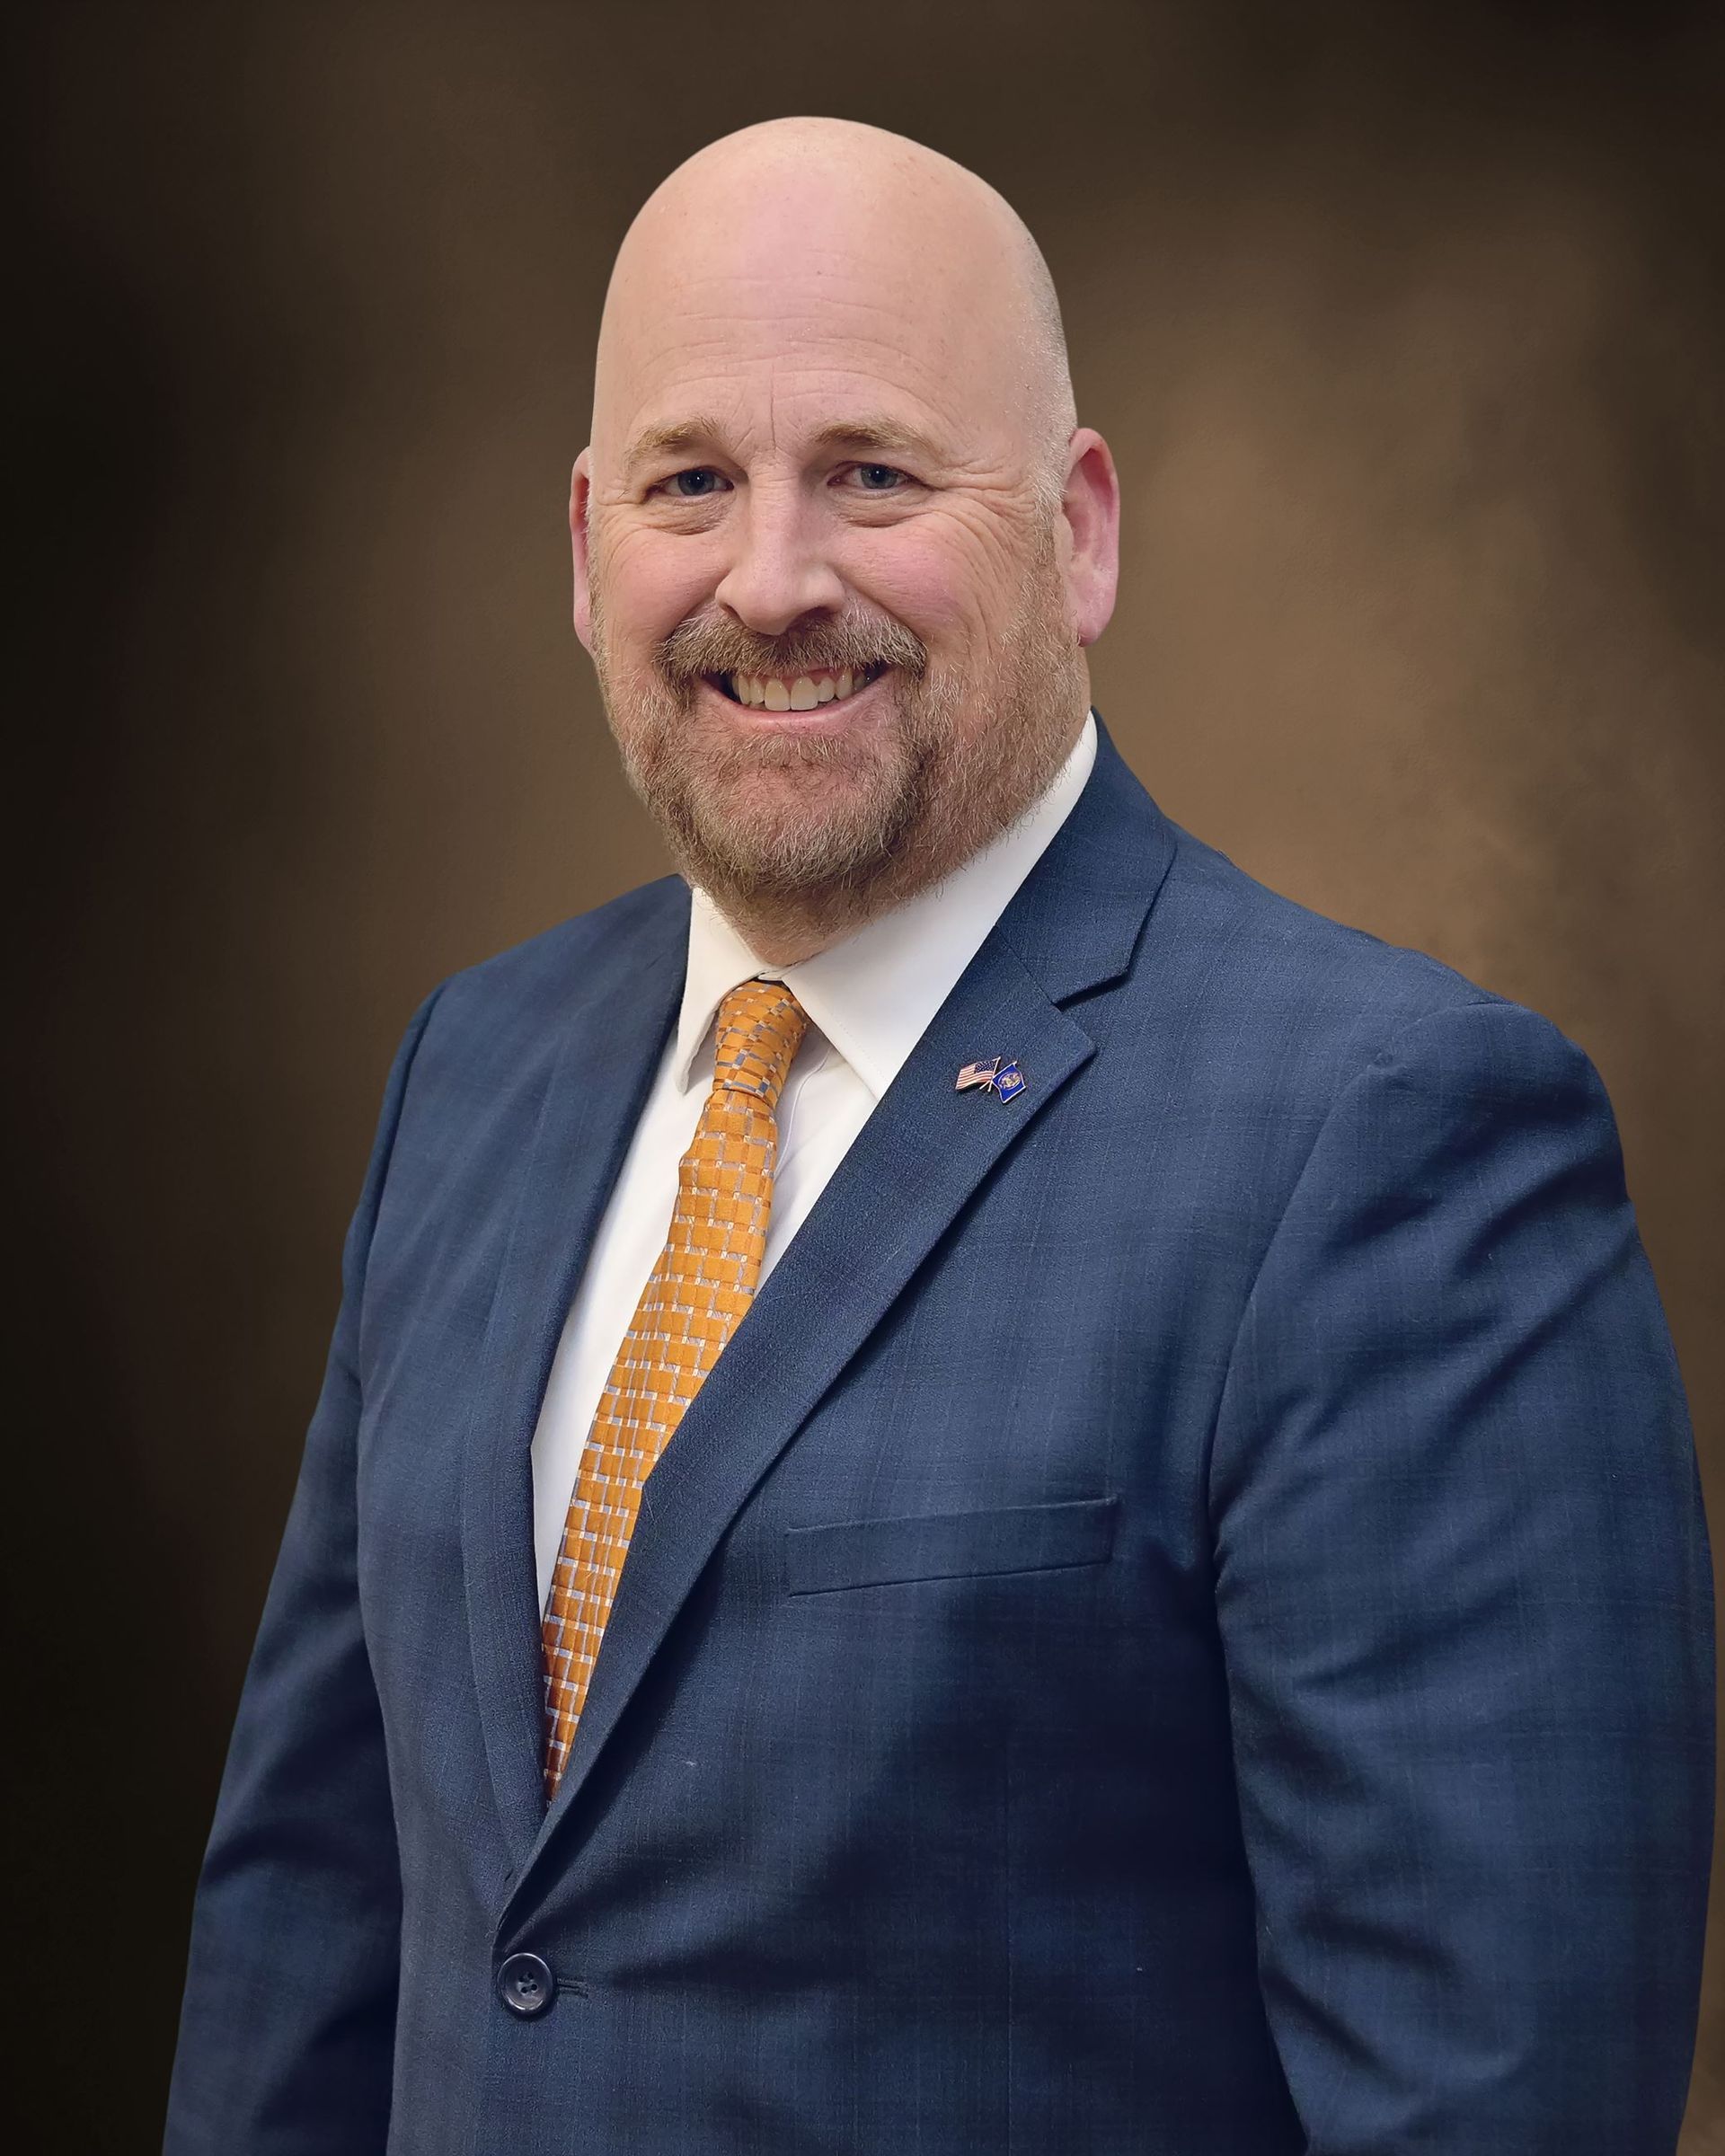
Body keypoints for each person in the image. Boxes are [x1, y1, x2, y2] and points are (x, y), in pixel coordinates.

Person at [164, 117, 1713, 2155]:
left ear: (1076, 530)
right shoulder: (479, 1070)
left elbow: (1489, 2108)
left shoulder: (1393, 1144)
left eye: (874, 475)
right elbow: (314, 1939)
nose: (773, 577)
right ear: (581, 547)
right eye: (690, 482)